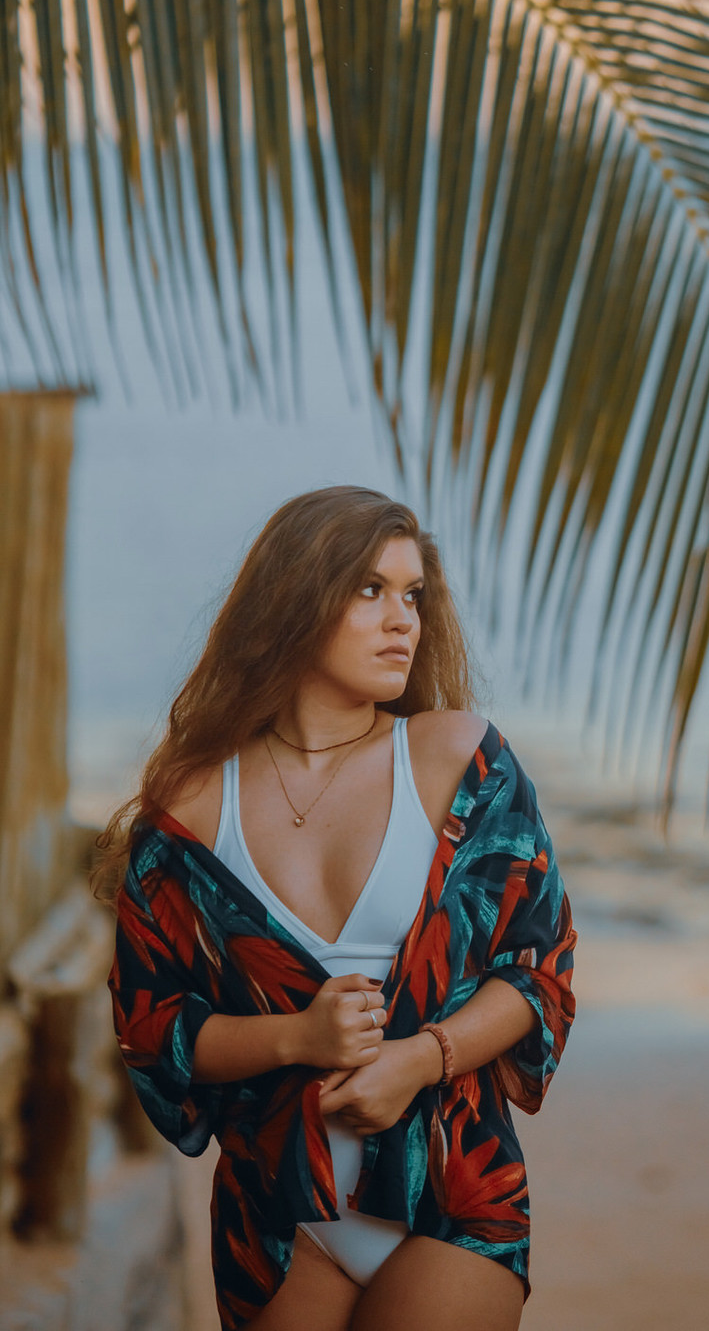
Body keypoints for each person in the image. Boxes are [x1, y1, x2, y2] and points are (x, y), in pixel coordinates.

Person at [94, 486, 577, 1331]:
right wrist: (295, 1039)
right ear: (294, 600)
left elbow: (538, 975)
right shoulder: (194, 806)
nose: (403, 620)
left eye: (413, 594)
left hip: (452, 1190)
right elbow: (152, 1025)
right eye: (370, 590)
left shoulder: (461, 761)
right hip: (278, 1215)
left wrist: (420, 1060)